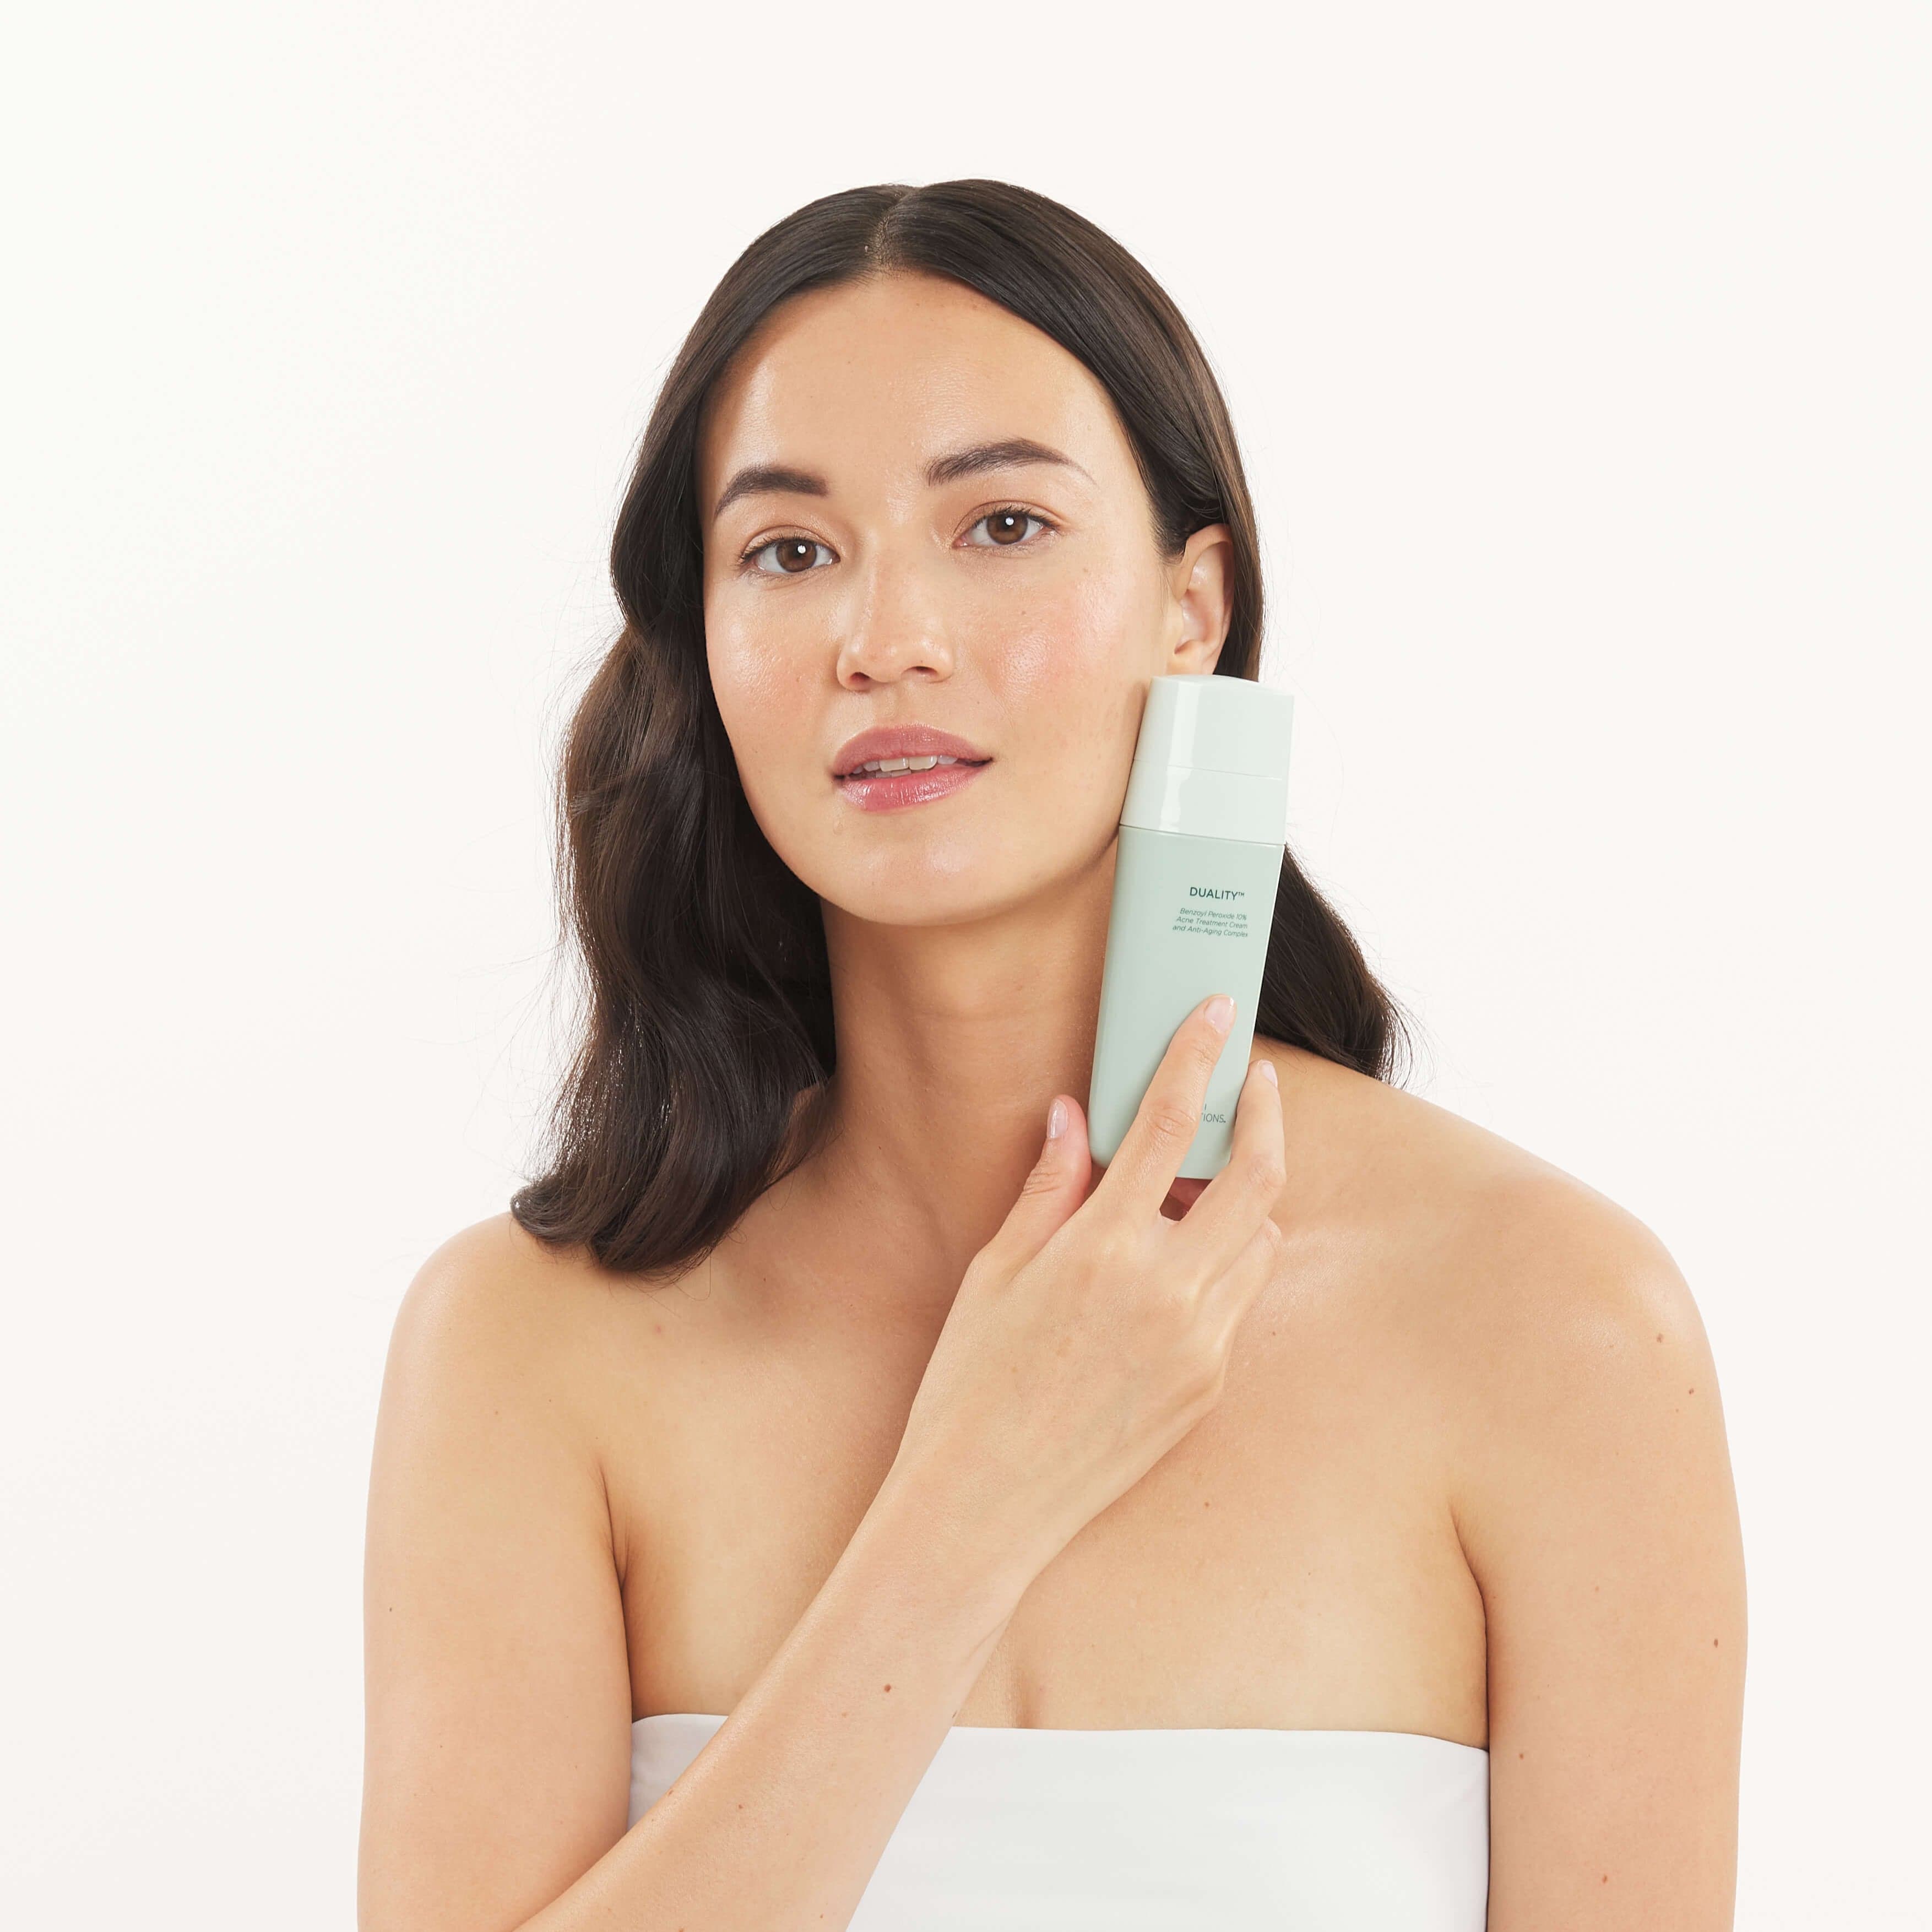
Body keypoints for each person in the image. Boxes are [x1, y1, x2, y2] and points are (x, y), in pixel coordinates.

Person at [358, 180, 1746, 1931]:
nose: (888, 638)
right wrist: (971, 1492)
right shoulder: (531, 1348)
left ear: (1195, 603)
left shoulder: (1550, 1319)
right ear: (702, 643)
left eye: (1000, 523)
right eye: (789, 551)